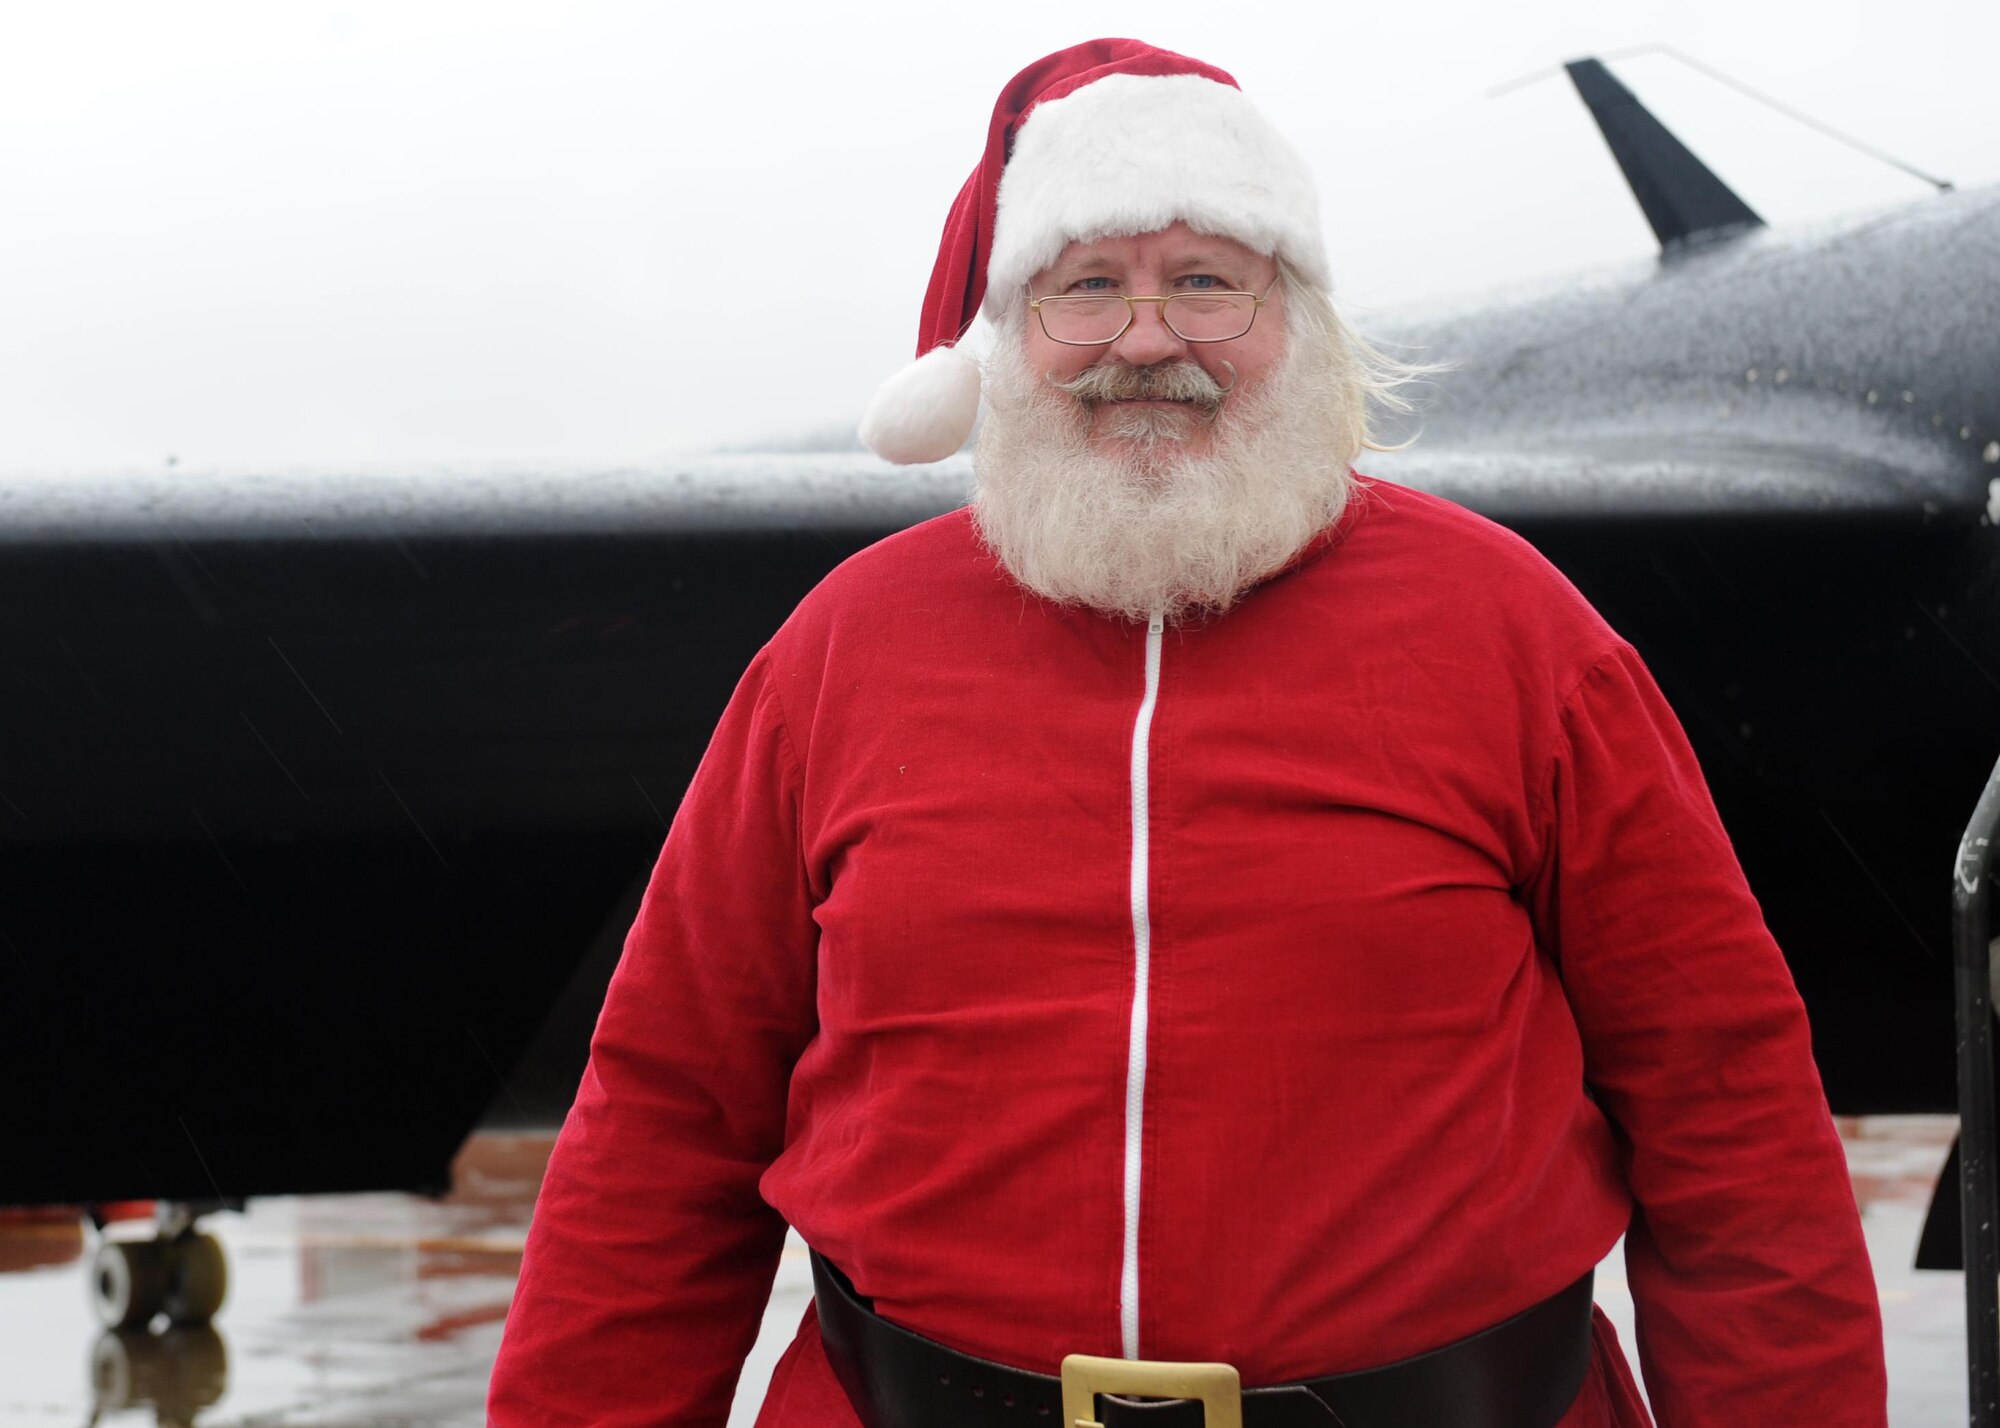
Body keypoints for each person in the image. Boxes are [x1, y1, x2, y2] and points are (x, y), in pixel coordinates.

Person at [488, 38, 1887, 1428]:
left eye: (1207, 283)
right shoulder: (835, 657)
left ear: (1300, 321)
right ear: (1011, 337)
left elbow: (1728, 1113)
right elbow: (667, 1123)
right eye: (1086, 286)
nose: (1146, 340)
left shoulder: (1521, 639)